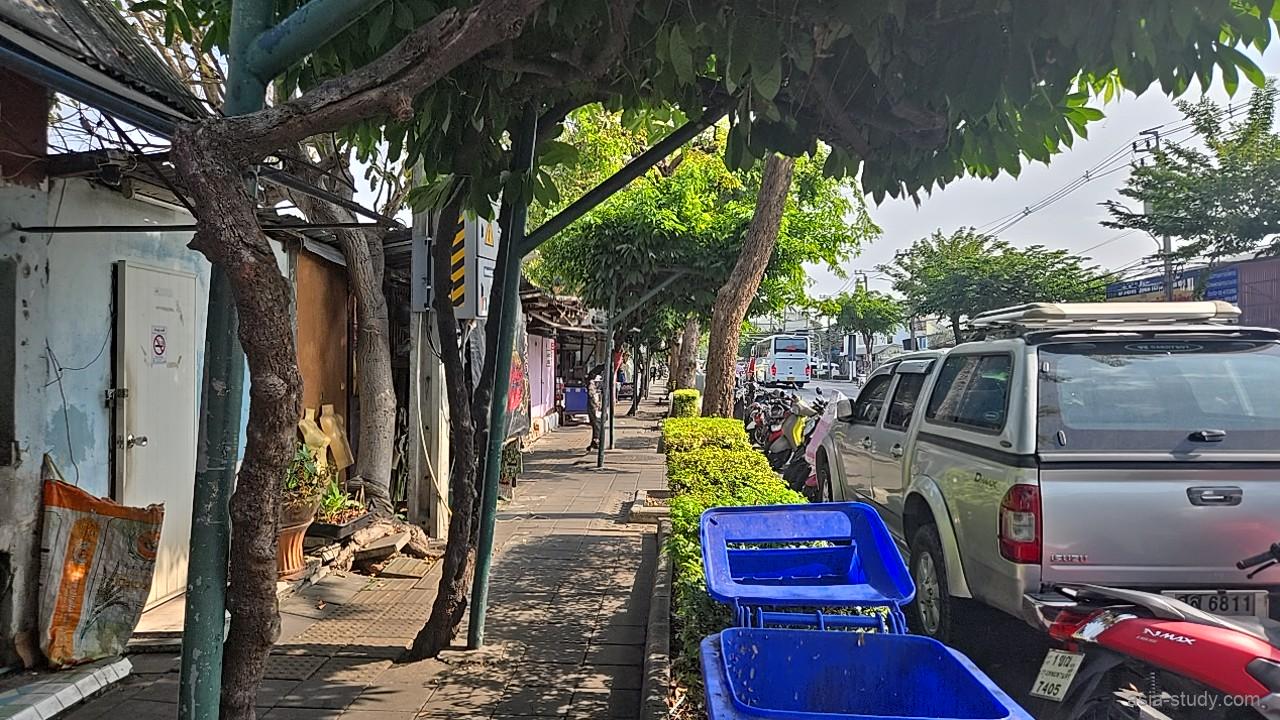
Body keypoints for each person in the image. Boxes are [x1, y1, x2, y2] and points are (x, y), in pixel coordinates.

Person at [585, 363, 606, 451]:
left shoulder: (596, 378)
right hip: (596, 402)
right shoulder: (597, 378)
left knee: (597, 421)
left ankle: (596, 440)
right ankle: (595, 440)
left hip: (596, 403)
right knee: (596, 422)